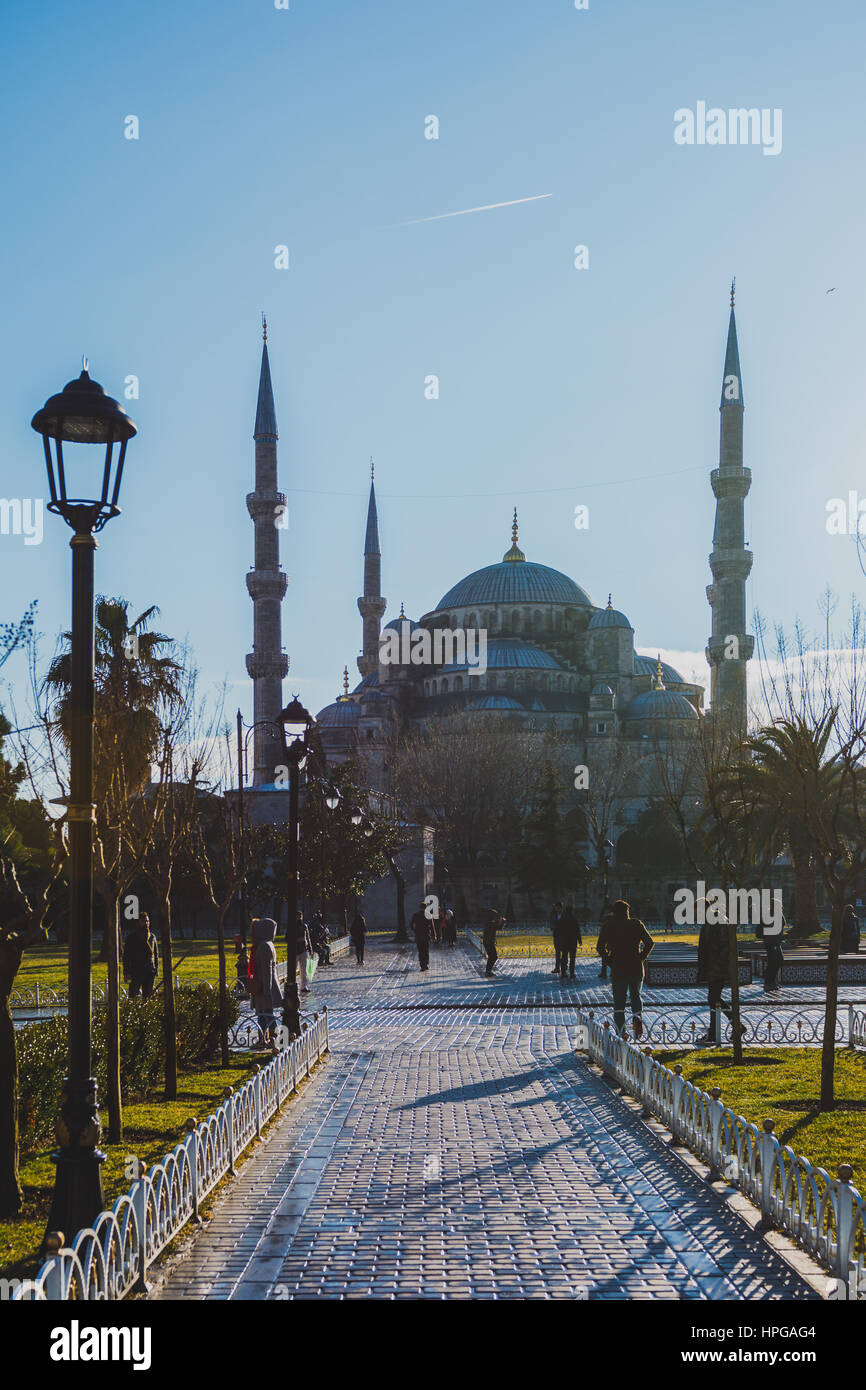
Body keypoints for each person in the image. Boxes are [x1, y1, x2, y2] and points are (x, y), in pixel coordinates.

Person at [596, 899, 653, 1038]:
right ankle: (637, 1024)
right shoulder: (636, 924)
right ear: (627, 911)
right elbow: (649, 942)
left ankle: (621, 1031)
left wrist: (609, 960)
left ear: (614, 912)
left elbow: (600, 947)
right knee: (636, 998)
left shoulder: (609, 926)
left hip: (618, 967)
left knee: (619, 1002)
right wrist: (641, 957)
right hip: (635, 966)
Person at [696, 905, 747, 1045]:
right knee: (714, 998)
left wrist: (719, 964)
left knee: (714, 998)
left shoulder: (717, 921)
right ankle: (729, 1027)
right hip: (714, 966)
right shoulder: (710, 921)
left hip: (718, 967)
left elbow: (724, 945)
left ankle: (722, 1030)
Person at [250, 917, 283, 1043]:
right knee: (262, 1014)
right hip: (262, 985)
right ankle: (263, 1039)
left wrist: (267, 990)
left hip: (263, 986)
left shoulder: (264, 946)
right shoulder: (267, 944)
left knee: (267, 1015)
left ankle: (278, 1039)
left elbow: (266, 970)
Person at [123, 914, 159, 999]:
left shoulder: (152, 937)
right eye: (143, 921)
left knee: (148, 997)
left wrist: (155, 969)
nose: (146, 923)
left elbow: (156, 955)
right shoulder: (132, 938)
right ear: (138, 923)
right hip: (136, 971)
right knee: (133, 996)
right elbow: (126, 956)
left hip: (150, 971)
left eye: (147, 921)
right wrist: (126, 972)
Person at [559, 904, 583, 980]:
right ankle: (572, 973)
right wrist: (579, 940)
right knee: (572, 958)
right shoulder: (574, 919)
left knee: (564, 957)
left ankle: (563, 972)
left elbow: (560, 930)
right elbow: (577, 930)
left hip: (565, 941)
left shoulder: (563, 918)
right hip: (572, 941)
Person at [410, 901, 431, 970]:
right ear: (426, 908)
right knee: (426, 950)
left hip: (418, 936)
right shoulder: (428, 915)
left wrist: (415, 931)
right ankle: (426, 964)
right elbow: (431, 926)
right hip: (426, 935)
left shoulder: (415, 915)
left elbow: (411, 925)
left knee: (420, 951)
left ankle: (422, 965)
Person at [296, 911, 313, 994]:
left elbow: (308, 937)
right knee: (293, 970)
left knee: (304, 969)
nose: (299, 917)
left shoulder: (304, 926)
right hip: (295, 950)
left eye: (300, 916)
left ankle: (304, 986)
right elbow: (287, 938)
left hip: (303, 949)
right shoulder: (291, 926)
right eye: (297, 916)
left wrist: (310, 949)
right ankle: (293, 985)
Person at [482, 908, 503, 977]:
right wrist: (502, 922)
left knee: (492, 956)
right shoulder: (490, 923)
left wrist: (500, 922)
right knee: (493, 956)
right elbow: (499, 927)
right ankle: (488, 971)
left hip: (487, 942)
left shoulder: (488, 922)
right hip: (489, 942)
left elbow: (497, 927)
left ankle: (488, 971)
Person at [596, 902, 613, 979]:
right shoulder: (613, 917)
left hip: (608, 939)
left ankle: (604, 972)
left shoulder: (607, 918)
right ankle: (611, 972)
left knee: (605, 956)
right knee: (612, 955)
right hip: (611, 940)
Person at [549, 900, 565, 976]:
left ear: (561, 908)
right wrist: (553, 927)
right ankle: (557, 968)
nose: (557, 909)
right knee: (557, 952)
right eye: (556, 907)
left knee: (564, 953)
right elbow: (551, 923)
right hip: (556, 935)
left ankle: (564, 968)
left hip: (563, 936)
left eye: (558, 907)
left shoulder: (564, 915)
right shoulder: (553, 915)